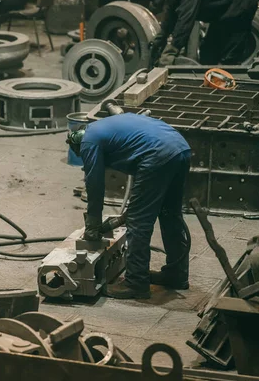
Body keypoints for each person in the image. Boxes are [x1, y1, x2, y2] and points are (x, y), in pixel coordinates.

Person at [67, 113, 191, 299]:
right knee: (169, 214)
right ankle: (177, 274)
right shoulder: (104, 128)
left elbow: (95, 185)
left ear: (77, 145)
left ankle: (136, 282)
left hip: (157, 154)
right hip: (179, 147)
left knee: (138, 221)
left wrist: (93, 224)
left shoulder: (88, 142)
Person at [148, 0, 259, 66]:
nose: (165, 6)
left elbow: (186, 19)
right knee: (207, 54)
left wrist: (171, 50)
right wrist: (158, 41)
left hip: (242, 1)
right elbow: (170, 19)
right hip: (222, 10)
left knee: (229, 58)